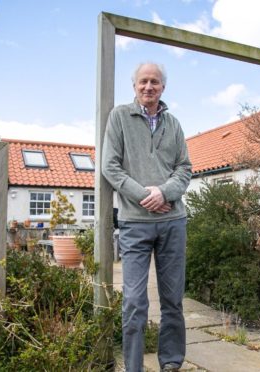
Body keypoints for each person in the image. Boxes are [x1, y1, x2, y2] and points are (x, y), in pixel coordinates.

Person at [102, 62, 192, 372]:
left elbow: (184, 168)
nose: (148, 86)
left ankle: (171, 360)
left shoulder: (174, 124)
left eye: (154, 82)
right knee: (135, 303)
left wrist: (164, 193)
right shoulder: (119, 117)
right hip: (134, 224)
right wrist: (147, 197)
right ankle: (134, 366)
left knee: (172, 300)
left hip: (173, 222)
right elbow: (110, 167)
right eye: (143, 81)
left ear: (163, 87)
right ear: (135, 86)